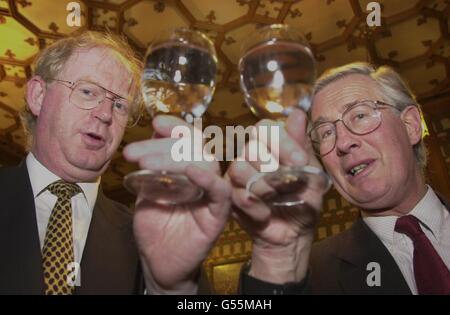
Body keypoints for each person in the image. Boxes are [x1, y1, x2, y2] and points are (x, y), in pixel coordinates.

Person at [0, 31, 231, 295]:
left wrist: (172, 289)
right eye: (88, 91)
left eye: (120, 106)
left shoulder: (152, 235)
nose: (105, 114)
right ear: (38, 95)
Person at [228, 62, 450, 295]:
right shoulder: (312, 273)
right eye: (326, 133)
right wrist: (276, 260)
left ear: (411, 125)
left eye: (360, 115)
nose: (343, 143)